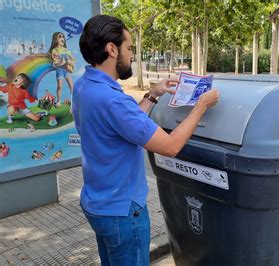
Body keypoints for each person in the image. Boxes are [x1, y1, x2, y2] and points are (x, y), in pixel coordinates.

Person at [73, 15, 219, 265]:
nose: (132, 55)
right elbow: (171, 146)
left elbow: (125, 125)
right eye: (129, 48)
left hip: (97, 204)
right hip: (122, 212)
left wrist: (152, 95)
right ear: (111, 49)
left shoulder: (84, 86)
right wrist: (201, 106)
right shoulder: (114, 100)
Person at [48, 32, 74, 107]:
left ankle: (73, 100)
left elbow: (72, 59)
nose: (62, 38)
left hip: (66, 70)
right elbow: (55, 63)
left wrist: (70, 63)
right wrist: (62, 62)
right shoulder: (54, 50)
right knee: (60, 86)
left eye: (63, 36)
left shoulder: (66, 50)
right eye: (60, 36)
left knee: (71, 86)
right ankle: (58, 101)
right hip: (60, 71)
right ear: (56, 40)